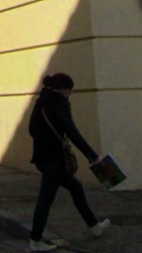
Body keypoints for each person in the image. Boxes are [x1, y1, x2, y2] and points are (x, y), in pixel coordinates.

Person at [28, 73, 110, 251]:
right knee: (45, 200)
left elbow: (32, 129)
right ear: (63, 89)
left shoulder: (41, 101)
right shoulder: (59, 103)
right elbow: (72, 132)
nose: (70, 94)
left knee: (76, 187)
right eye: (69, 91)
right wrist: (92, 156)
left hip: (41, 157)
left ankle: (94, 226)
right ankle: (35, 240)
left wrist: (45, 138)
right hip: (54, 159)